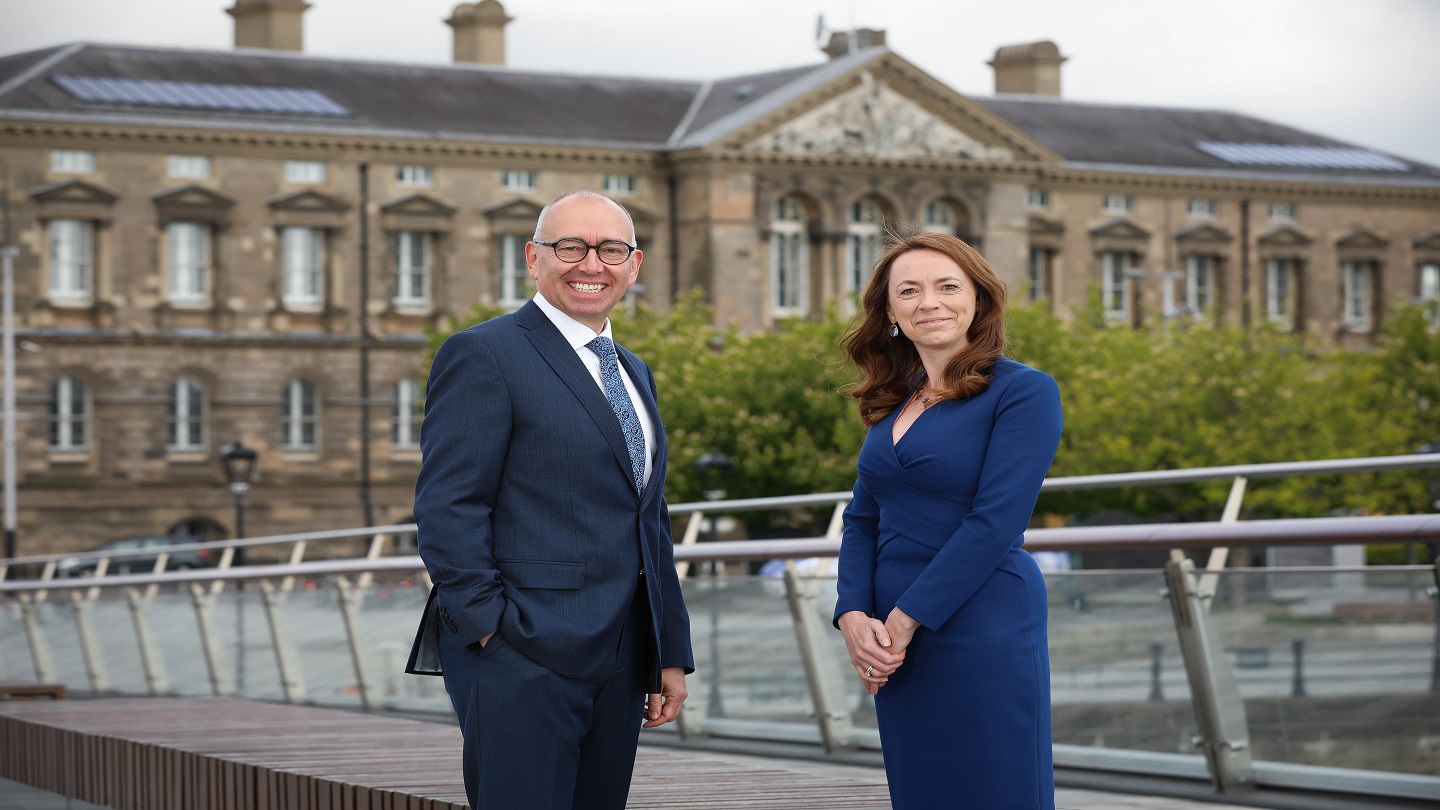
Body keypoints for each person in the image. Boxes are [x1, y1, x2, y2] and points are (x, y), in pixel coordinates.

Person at [406, 190, 694, 810]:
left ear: (634, 266)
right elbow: (448, 506)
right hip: (522, 654)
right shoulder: (485, 353)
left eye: (610, 249)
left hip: (622, 655)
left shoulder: (633, 371)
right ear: (534, 258)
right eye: (571, 247)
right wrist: (491, 632)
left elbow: (650, 517)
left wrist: (669, 650)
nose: (591, 264)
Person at [833, 230, 1063, 809]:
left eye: (946, 286)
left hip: (981, 618)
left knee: (995, 786)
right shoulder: (894, 399)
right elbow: (862, 519)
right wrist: (854, 616)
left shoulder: (1024, 392)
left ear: (978, 299)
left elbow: (996, 523)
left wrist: (903, 622)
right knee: (923, 790)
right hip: (891, 634)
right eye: (908, 291)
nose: (927, 302)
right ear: (890, 312)